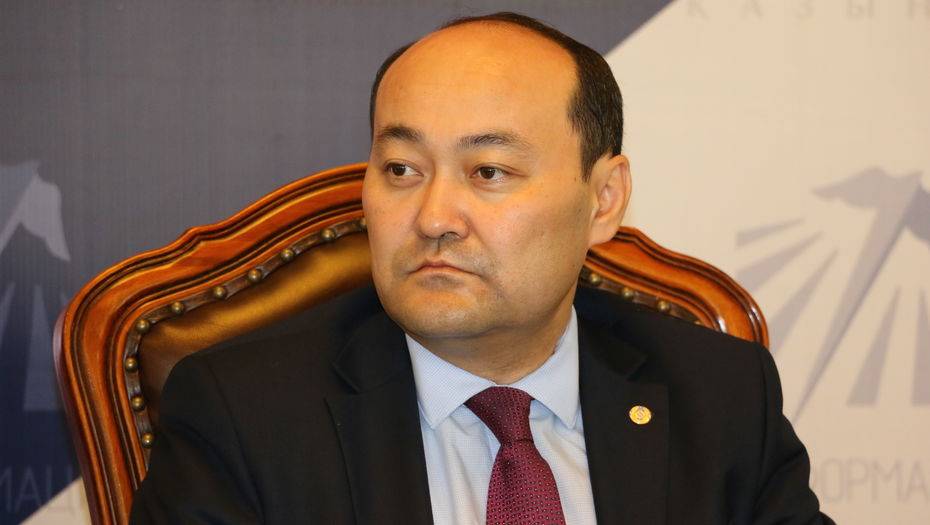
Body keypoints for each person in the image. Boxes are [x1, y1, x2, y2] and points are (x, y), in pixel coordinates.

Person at [130, 12, 833, 525]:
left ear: (604, 198)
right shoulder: (244, 415)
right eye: (401, 169)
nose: (434, 216)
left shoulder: (719, 395)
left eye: (488, 171)